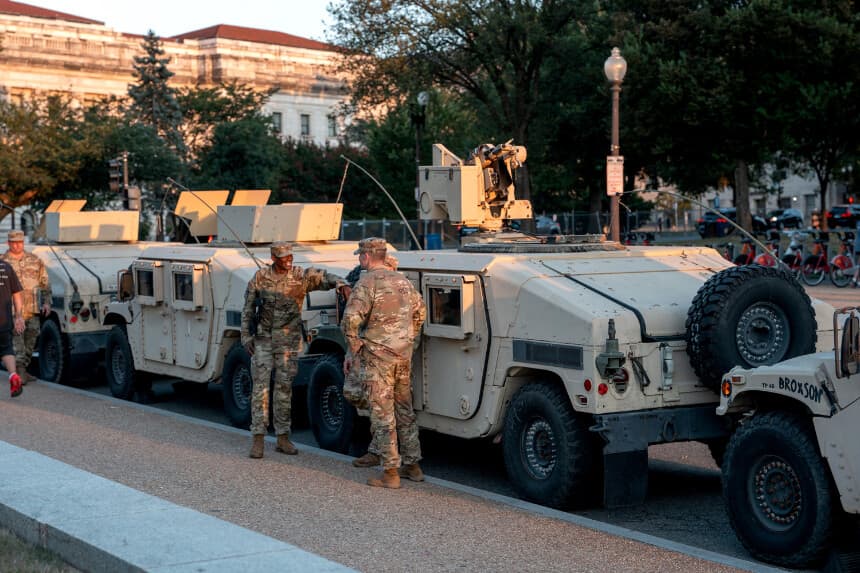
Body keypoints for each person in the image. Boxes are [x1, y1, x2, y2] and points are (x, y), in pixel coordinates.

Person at [241, 241, 349, 459]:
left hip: (288, 342)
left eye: (290, 257)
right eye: (283, 258)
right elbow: (247, 308)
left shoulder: (301, 275)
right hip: (263, 340)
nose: (289, 261)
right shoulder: (260, 277)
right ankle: (258, 438)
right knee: (260, 389)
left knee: (284, 389)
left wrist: (342, 285)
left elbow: (325, 277)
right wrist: (245, 337)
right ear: (274, 259)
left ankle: (282, 437)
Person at [341, 238, 426, 489]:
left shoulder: (367, 282)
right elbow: (420, 312)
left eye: (360, 256)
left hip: (378, 357)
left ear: (367, 256)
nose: (359, 259)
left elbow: (350, 320)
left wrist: (356, 347)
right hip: (402, 355)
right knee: (404, 410)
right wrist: (409, 341)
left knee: (382, 414)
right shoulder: (402, 280)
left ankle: (391, 472)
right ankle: (413, 465)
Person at [345, 253, 399, 468]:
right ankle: (381, 451)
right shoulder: (366, 283)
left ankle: (386, 459)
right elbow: (354, 323)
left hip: (389, 354)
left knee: (384, 406)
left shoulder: (400, 287)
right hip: (373, 351)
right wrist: (352, 352)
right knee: (365, 398)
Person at [2, 230, 51, 384]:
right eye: (14, 242)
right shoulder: (3, 262)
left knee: (31, 339)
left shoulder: (35, 260)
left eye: (20, 242)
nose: (17, 245)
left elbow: (45, 282)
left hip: (32, 308)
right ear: (8, 243)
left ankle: (24, 368)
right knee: (17, 342)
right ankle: (19, 372)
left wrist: (47, 302)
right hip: (11, 310)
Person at [0, 252, 26, 397]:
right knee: (6, 349)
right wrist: (18, 316)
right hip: (4, 320)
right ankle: (13, 376)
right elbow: (17, 294)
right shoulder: (7, 267)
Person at [852, 219, 860, 288]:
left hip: (857, 246)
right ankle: (854, 280)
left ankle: (858, 281)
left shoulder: (858, 222)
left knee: (858, 264)